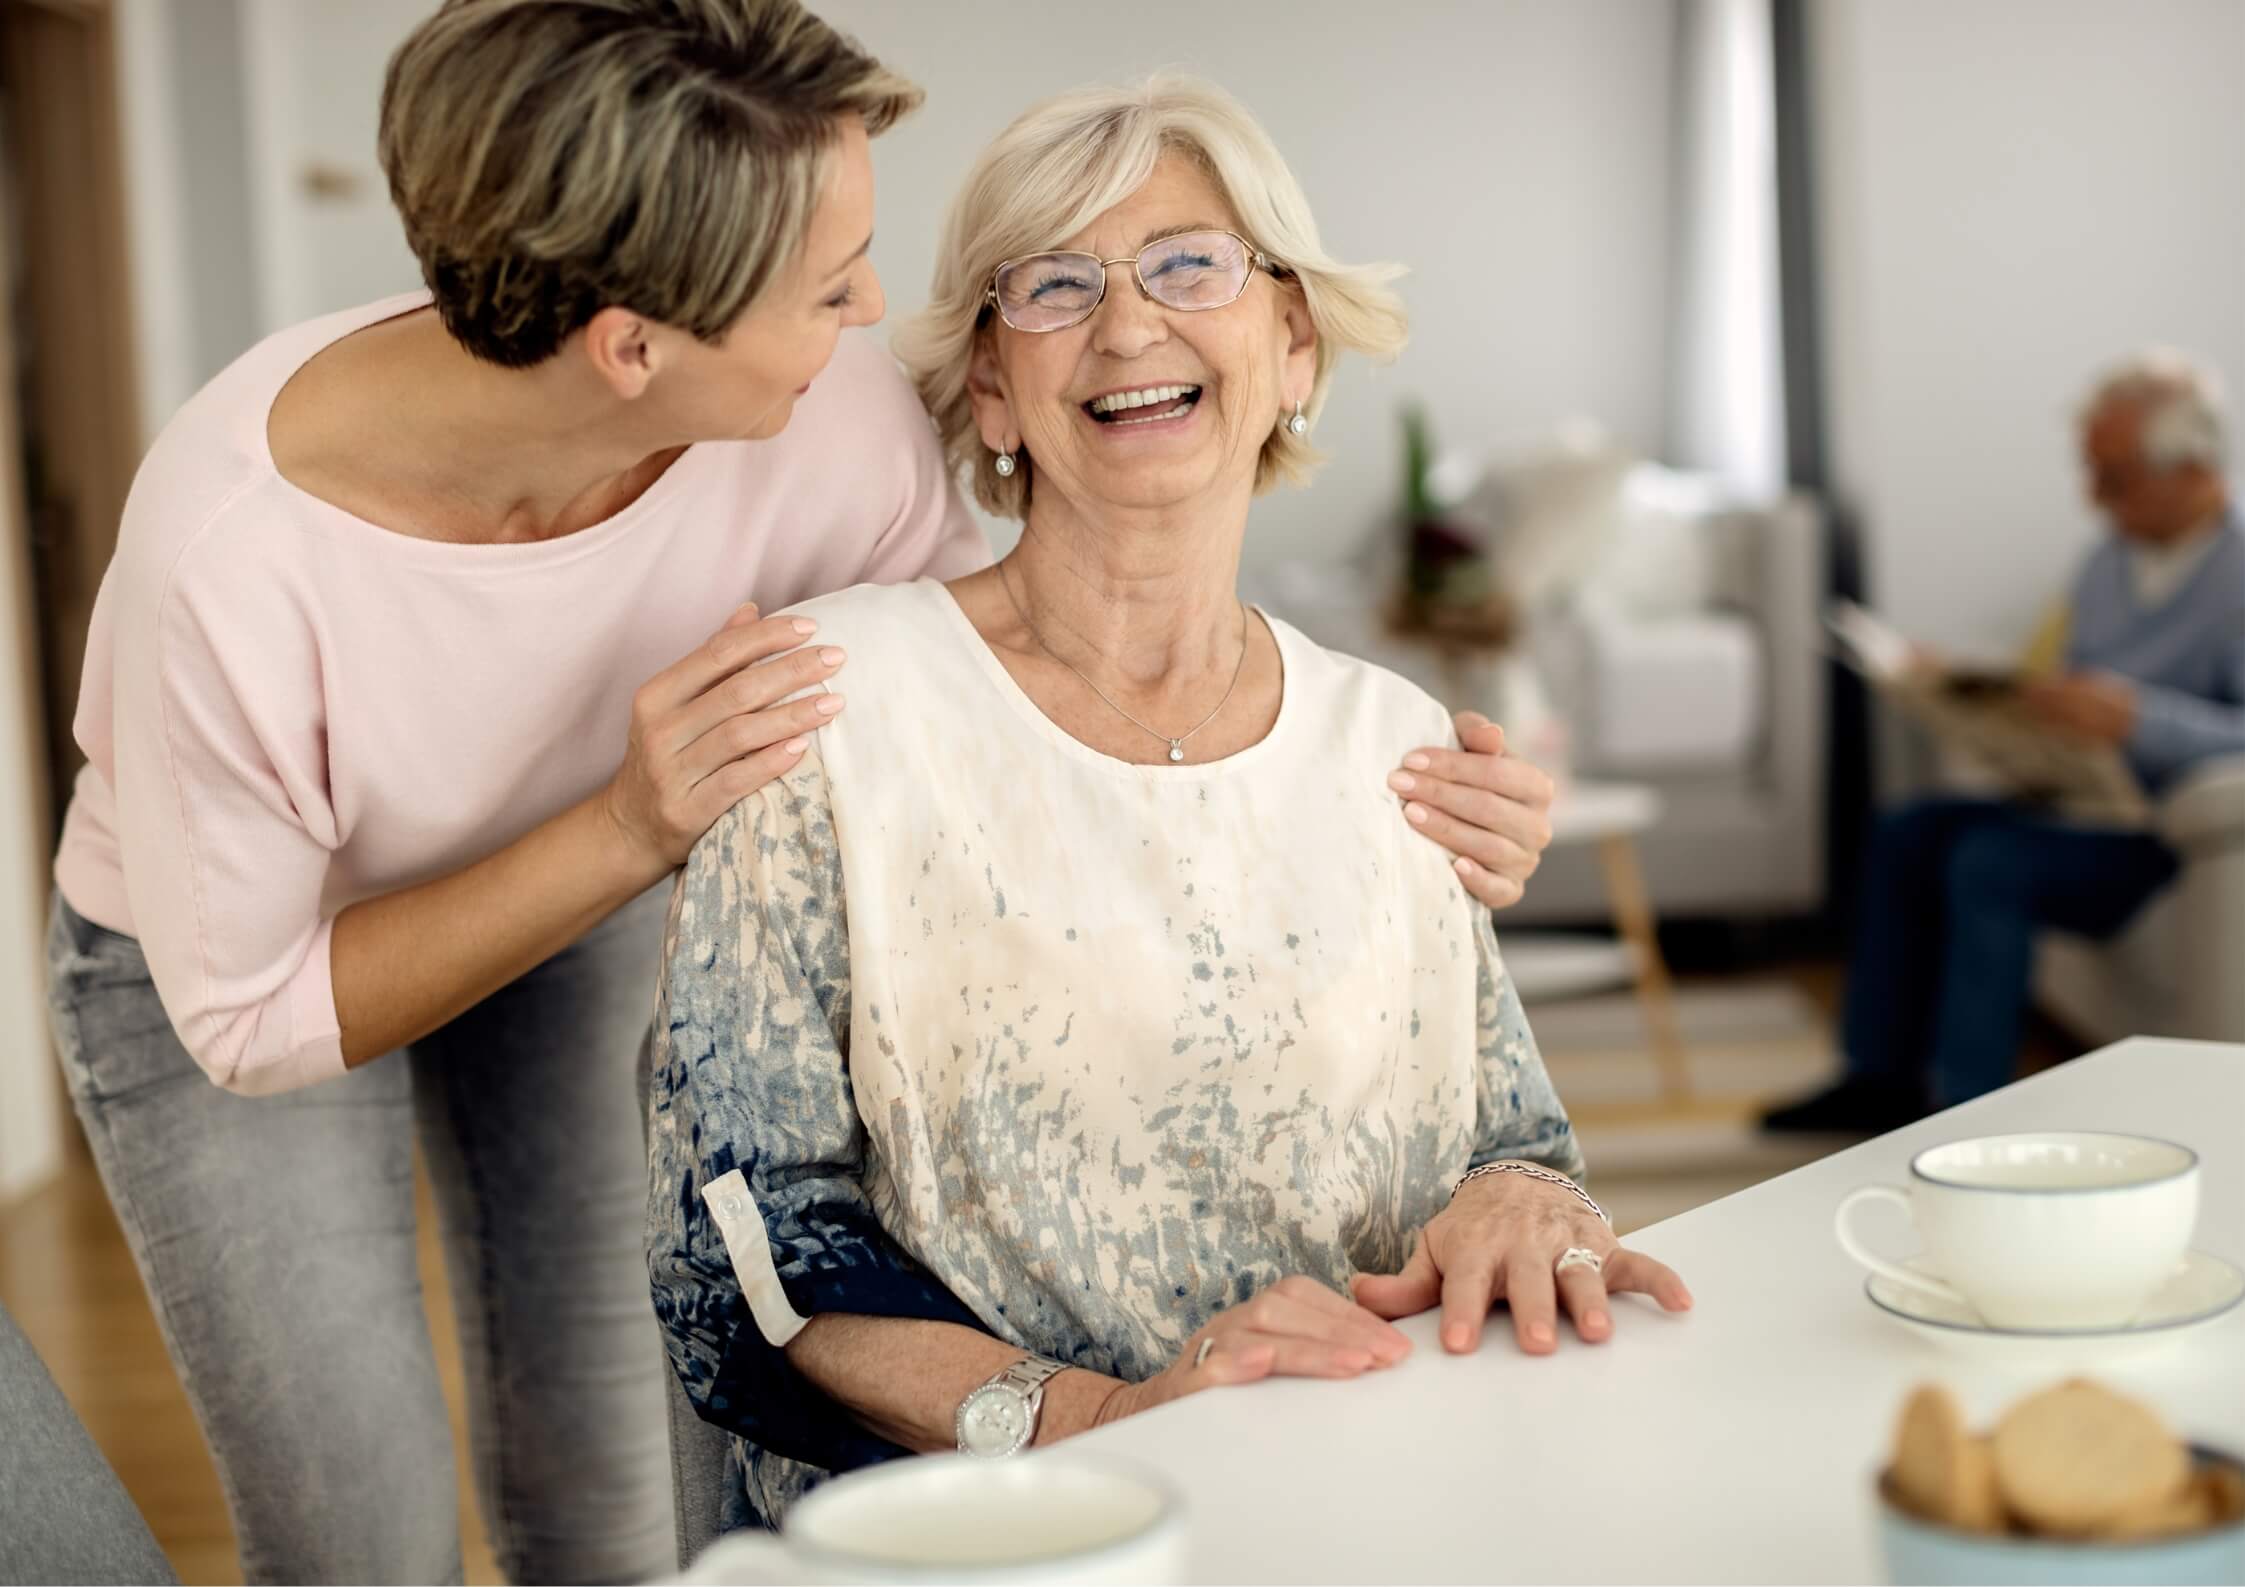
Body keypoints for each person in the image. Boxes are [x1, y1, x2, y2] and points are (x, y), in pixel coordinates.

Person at [43, 3, 1558, 1579]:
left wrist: (1386, 826)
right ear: (634, 345)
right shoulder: (228, 566)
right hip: (256, 971)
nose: (871, 311)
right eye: (829, 282)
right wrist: (630, 822)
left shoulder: (818, 417)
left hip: (595, 894)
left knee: (602, 1490)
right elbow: (252, 1015)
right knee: (361, 1536)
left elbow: (1005, 691)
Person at [648, 73, 1695, 1530]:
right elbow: (744, 1239)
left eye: (1191, 263)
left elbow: (1506, 1136)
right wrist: (1108, 1424)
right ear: (993, 390)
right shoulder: (830, 708)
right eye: (1056, 284)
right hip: (981, 1536)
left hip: (1366, 1501)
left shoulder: (1389, 739)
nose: (1129, 324)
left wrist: (1527, 1207)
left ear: (1293, 344)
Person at [1765, 351, 2245, 1133]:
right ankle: (1876, 1076)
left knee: (1988, 862)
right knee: (1906, 830)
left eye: (2112, 477)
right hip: (2079, 805)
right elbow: (2064, 684)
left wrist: (2139, 719)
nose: (2094, 498)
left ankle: (1967, 1119)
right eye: (2088, 472)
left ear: (2191, 467)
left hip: (2161, 833)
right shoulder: (2107, 561)